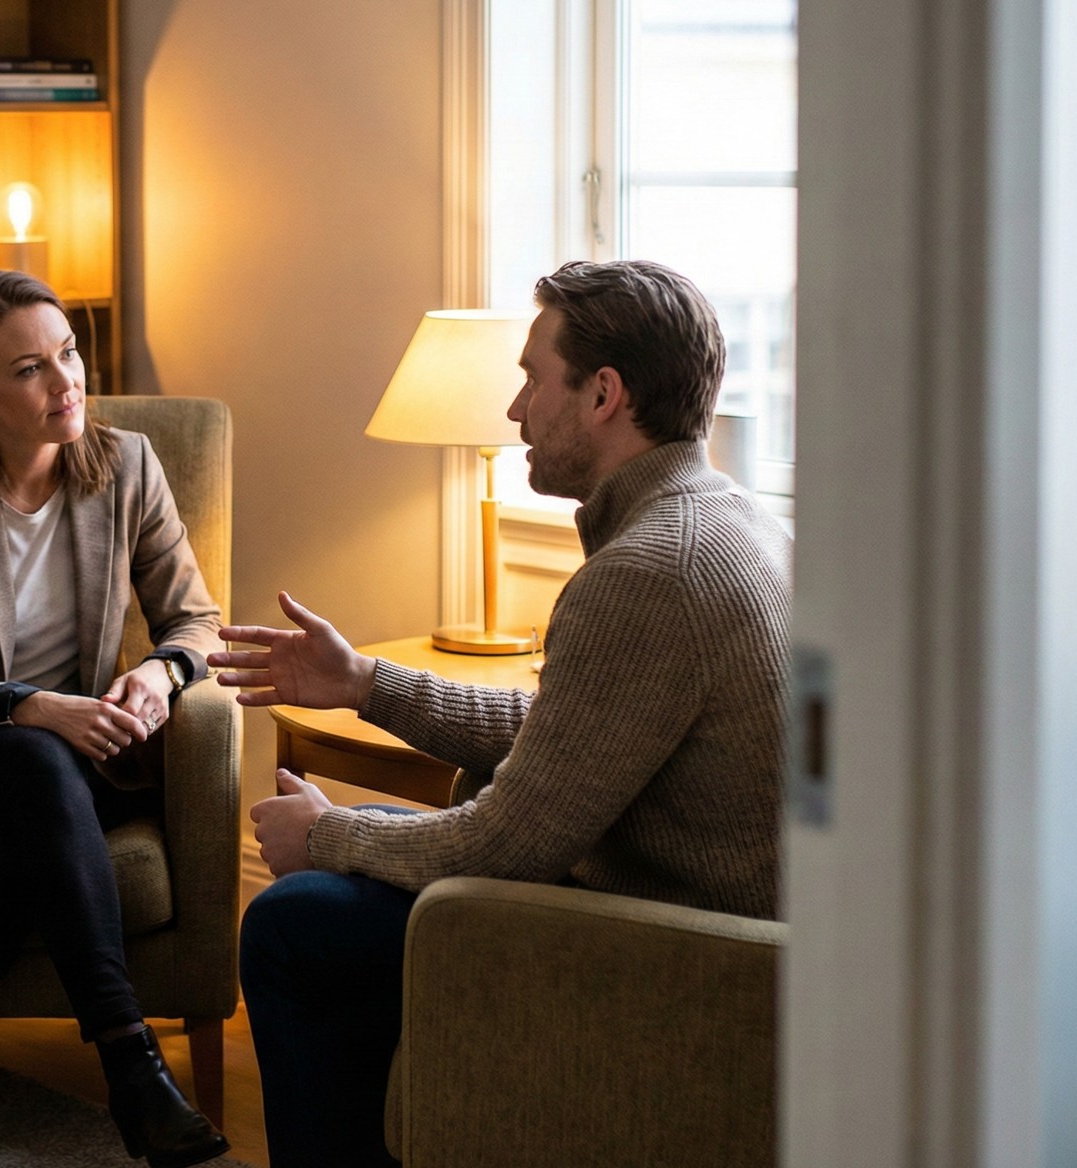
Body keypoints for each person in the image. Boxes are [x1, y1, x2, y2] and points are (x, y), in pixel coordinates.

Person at [211, 260, 791, 1167]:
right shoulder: (720, 521)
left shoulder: (648, 571)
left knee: (295, 924)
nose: (515, 411)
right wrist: (367, 683)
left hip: (681, 957)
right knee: (378, 848)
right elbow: (570, 736)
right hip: (713, 926)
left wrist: (325, 837)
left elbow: (499, 849)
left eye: (530, 378)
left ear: (603, 393)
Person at [0, 270, 230, 1168]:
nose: (66, 382)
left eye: (69, 353)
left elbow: (193, 619)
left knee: (25, 819)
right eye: (29, 370)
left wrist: (162, 678)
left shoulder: (125, 465)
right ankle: (133, 1066)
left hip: (81, 763)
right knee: (30, 771)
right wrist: (33, 708)